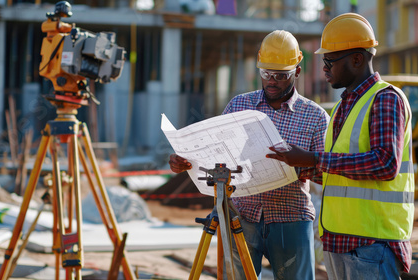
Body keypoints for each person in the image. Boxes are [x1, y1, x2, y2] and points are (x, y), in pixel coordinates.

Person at [169, 30, 330, 279]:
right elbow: (215, 154)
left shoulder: (316, 117)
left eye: (280, 75)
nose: (272, 81)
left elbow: (328, 174)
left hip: (291, 219)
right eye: (266, 73)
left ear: (297, 70)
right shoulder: (238, 106)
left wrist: (301, 164)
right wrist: (187, 161)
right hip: (241, 217)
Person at [267, 13, 414, 279]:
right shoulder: (342, 107)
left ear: (356, 59)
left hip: (372, 244)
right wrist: (297, 168)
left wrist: (312, 159)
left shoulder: (385, 99)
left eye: (329, 61)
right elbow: (340, 173)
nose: (324, 68)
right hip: (340, 242)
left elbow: (384, 164)